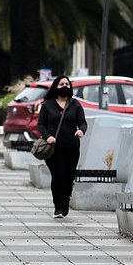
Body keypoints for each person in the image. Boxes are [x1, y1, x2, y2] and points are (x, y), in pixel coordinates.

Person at [37, 75, 87, 218]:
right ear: (55, 87)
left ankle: (65, 201)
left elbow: (82, 122)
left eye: (67, 84)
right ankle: (58, 207)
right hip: (53, 149)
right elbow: (41, 124)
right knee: (58, 176)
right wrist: (48, 137)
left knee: (69, 177)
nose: (65, 86)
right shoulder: (47, 105)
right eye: (61, 84)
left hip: (72, 148)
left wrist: (81, 130)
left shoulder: (75, 104)